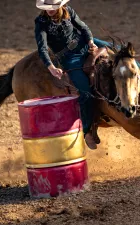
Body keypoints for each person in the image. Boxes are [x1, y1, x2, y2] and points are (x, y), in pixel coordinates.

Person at [34, 0, 110, 150]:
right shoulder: (41, 22)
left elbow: (83, 27)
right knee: (85, 93)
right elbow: (42, 48)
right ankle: (87, 130)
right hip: (68, 57)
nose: (50, 10)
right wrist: (52, 67)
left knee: (119, 49)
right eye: (48, 7)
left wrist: (90, 42)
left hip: (83, 44)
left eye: (53, 7)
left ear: (60, 6)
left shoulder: (69, 11)